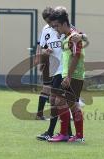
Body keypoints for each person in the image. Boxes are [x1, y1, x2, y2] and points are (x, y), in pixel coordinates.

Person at [35, 7, 87, 141]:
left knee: (62, 102)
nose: (55, 29)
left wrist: (68, 76)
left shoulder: (73, 35)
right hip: (63, 72)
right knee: (63, 102)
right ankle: (70, 134)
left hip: (72, 74)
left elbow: (77, 55)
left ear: (63, 23)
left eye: (56, 26)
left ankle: (67, 134)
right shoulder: (63, 35)